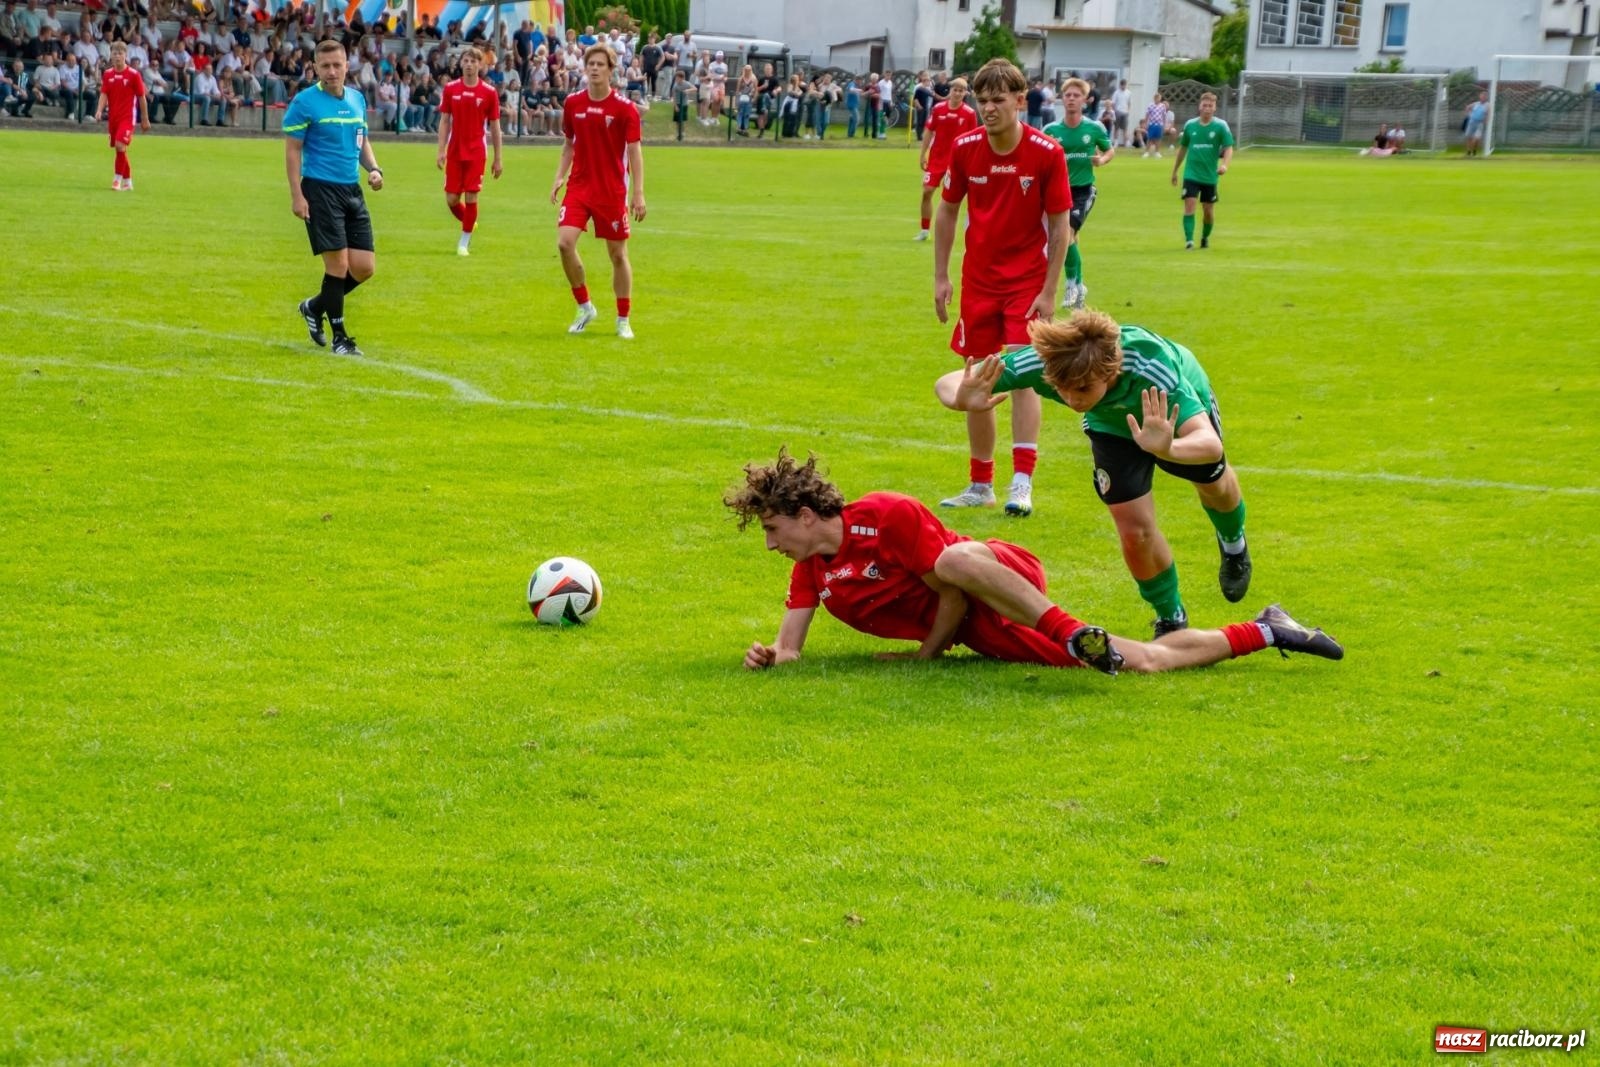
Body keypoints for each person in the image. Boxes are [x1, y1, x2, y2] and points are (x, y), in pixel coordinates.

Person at [728, 449, 1342, 674]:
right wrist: (769, 657)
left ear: (806, 515)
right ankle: (1267, 629)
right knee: (1145, 660)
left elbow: (951, 588)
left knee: (955, 560)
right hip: (986, 628)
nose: (771, 542)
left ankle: (1072, 633)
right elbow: (790, 648)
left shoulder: (886, 514)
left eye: (774, 528)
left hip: (998, 578)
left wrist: (924, 656)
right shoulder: (813, 570)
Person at [935, 309, 1254, 636]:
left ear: (1110, 371)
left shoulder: (1153, 369)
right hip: (1110, 427)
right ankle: (1171, 619)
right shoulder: (1046, 363)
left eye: (1084, 389)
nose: (1072, 399)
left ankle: (1233, 544)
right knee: (1134, 531)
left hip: (1166, 420)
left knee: (1213, 486)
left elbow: (1209, 443)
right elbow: (947, 381)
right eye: (1062, 389)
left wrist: (1168, 448)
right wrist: (960, 399)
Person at [932, 57, 1071, 519]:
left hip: (1027, 281)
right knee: (978, 376)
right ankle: (980, 484)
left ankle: (1022, 481)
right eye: (982, 100)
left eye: (998, 100)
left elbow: (1060, 225)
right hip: (979, 283)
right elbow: (948, 209)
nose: (988, 109)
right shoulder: (966, 147)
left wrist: (1051, 292)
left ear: (1020, 99)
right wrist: (941, 275)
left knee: (1023, 373)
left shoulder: (1046, 152)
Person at [284, 39, 383, 357]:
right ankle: (341, 338)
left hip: (351, 190)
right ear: (314, 67)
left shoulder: (356, 99)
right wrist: (297, 195)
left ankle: (314, 307)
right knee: (338, 265)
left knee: (364, 267)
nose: (331, 71)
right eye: (324, 66)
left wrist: (373, 168)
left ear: (346, 66)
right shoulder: (304, 102)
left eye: (336, 65)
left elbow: (361, 139)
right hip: (320, 190)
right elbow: (292, 151)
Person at [551, 43, 646, 339]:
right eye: (590, 63)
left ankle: (623, 318)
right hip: (580, 187)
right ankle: (585, 306)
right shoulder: (573, 104)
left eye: (600, 64)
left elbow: (634, 152)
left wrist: (638, 193)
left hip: (611, 192)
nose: (594, 68)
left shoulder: (624, 109)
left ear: (610, 69)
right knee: (565, 244)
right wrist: (559, 177)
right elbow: (568, 144)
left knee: (617, 255)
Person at [1043, 77, 1113, 310]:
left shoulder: (1094, 128)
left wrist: (1101, 160)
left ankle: (1072, 284)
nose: (1071, 99)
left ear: (1085, 100)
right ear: (1062, 99)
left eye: (1076, 95)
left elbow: (1109, 149)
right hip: (1058, 191)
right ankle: (1080, 287)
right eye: (1068, 95)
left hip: (1083, 191)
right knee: (1069, 239)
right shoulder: (1051, 130)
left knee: (1066, 234)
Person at [435, 45, 501, 256]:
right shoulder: (451, 89)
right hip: (455, 150)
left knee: (472, 196)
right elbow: (445, 121)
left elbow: (495, 127)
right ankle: (469, 222)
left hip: (476, 151)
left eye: (474, 61)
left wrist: (498, 158)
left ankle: (463, 242)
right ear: (461, 63)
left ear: (480, 65)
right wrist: (441, 150)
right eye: (466, 60)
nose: (470, 64)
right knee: (452, 200)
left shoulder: (489, 92)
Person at [914, 74, 976, 240]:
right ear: (950, 91)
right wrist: (923, 154)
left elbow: (973, 139)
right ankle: (925, 230)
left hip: (957, 162)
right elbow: (929, 131)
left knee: (953, 200)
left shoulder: (969, 114)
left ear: (965, 94)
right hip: (936, 159)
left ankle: (964, 231)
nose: (957, 93)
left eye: (961, 91)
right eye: (955, 90)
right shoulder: (939, 109)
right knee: (927, 192)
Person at [1172, 90, 1233, 249]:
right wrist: (1175, 171)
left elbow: (1228, 148)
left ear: (1214, 108)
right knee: (1190, 205)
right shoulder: (1190, 125)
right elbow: (1183, 149)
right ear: (1199, 106)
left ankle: (1205, 237)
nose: (1207, 108)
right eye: (1204, 105)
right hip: (1191, 174)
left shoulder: (1220, 126)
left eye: (1210, 105)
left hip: (1210, 176)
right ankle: (1189, 241)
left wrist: (1225, 165)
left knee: (1208, 211)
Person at [94, 40, 150, 191]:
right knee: (120, 149)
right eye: (114, 53)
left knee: (120, 145)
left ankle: (116, 180)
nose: (117, 56)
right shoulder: (107, 74)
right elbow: (104, 93)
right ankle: (128, 181)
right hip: (114, 118)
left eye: (120, 53)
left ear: (125, 55)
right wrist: (99, 110)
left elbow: (141, 97)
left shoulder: (134, 75)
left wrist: (144, 119)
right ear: (110, 55)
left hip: (127, 118)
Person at [1141, 90, 1165, 157]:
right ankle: (1146, 152)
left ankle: (1157, 152)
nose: (1157, 99)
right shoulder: (1150, 105)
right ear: (1154, 98)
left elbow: (1164, 116)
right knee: (1150, 138)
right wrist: (1145, 123)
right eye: (1156, 97)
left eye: (1158, 97)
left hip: (1159, 124)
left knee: (1158, 138)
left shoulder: (1162, 106)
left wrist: (1164, 125)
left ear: (1160, 98)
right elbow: (1147, 115)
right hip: (1152, 124)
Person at [1464, 90, 1488, 156]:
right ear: (1480, 96)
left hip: (1480, 123)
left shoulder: (1487, 105)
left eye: (1484, 96)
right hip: (1472, 122)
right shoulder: (1476, 104)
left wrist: (1486, 121)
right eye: (1482, 96)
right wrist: (1469, 114)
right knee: (1468, 137)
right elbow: (1467, 107)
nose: (1483, 97)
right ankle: (1469, 151)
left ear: (1486, 97)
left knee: (1476, 138)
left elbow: (1487, 114)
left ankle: (1474, 150)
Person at [1111, 77, 1131, 147]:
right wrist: (1114, 112)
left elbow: (1129, 103)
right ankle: (1116, 142)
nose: (1123, 86)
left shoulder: (1129, 92)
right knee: (1116, 128)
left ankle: (1127, 143)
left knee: (1125, 128)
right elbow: (1113, 103)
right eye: (1122, 85)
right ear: (1120, 85)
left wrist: (1128, 111)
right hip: (1118, 112)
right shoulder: (1116, 92)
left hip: (1125, 112)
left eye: (1125, 85)